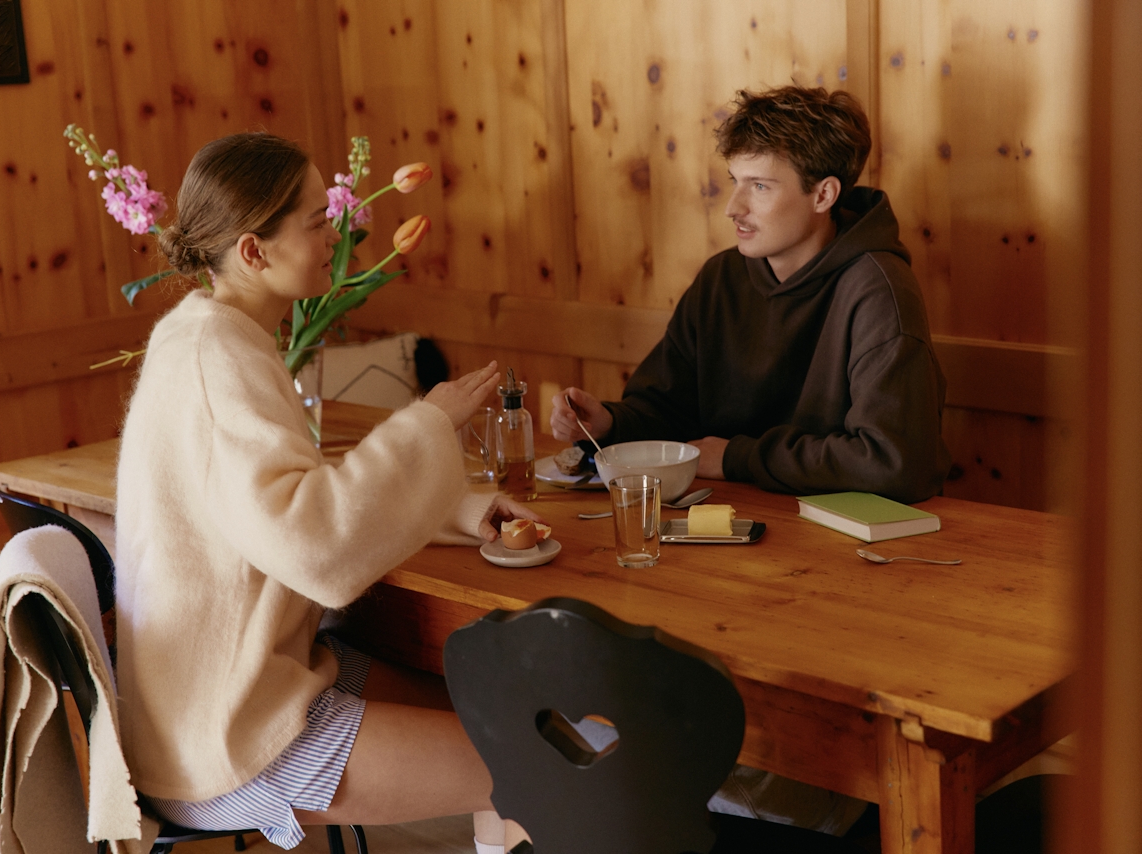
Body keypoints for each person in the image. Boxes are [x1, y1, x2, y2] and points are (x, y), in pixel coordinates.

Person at [115, 132, 531, 853]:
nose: (336, 231)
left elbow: (277, 506)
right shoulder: (220, 355)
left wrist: (457, 511)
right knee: (531, 764)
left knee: (507, 716)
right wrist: (430, 423)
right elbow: (316, 549)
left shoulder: (200, 335)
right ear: (253, 251)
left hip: (221, 701)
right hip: (229, 738)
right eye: (315, 221)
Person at [552, 86, 950, 504]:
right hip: (723, 516)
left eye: (759, 186)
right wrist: (610, 423)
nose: (732, 207)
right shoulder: (721, 277)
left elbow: (897, 463)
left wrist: (736, 458)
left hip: (840, 542)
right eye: (735, 181)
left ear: (823, 195)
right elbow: (668, 411)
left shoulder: (880, 291)